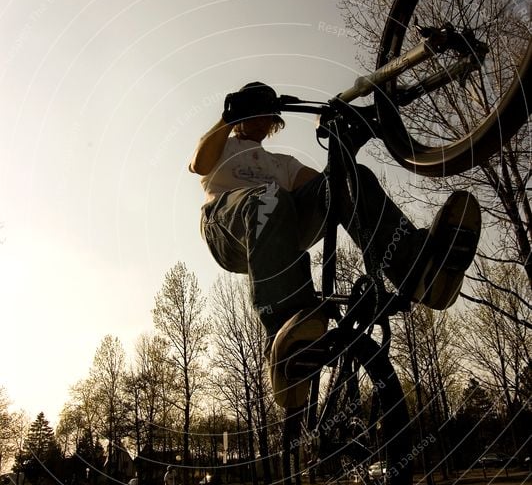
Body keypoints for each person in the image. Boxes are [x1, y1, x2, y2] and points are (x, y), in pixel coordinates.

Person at [189, 82, 481, 407]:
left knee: (349, 178)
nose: (259, 122)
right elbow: (200, 164)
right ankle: (286, 326)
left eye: (266, 117)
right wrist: (227, 119)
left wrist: (346, 151)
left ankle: (418, 268)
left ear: (273, 124)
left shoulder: (282, 163)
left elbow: (325, 189)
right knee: (269, 198)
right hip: (226, 227)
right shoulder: (225, 146)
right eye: (252, 115)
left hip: (279, 231)